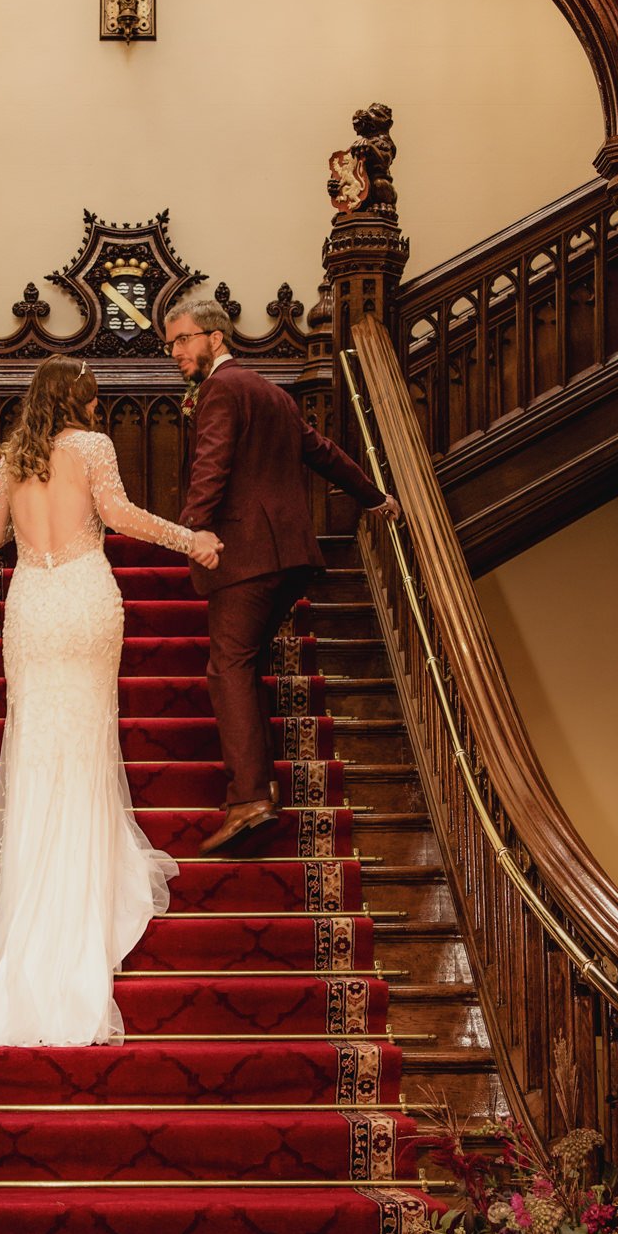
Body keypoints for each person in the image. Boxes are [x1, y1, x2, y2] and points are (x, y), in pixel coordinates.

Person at [0, 360, 223, 1047]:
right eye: (94, 397)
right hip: (82, 598)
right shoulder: (92, 448)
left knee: (35, 749)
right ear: (80, 400)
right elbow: (118, 514)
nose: (98, 406)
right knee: (84, 746)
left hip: (33, 606)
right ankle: (82, 893)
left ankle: (34, 914)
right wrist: (188, 536)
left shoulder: (14, 456)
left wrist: (8, 497)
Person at [168, 298, 400, 854]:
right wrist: (375, 499)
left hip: (246, 555)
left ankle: (250, 796)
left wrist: (191, 530)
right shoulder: (272, 393)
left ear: (216, 338)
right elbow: (322, 451)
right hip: (289, 556)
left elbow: (213, 463)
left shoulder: (222, 390)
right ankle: (259, 784)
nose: (175, 352)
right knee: (243, 664)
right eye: (171, 343)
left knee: (227, 667)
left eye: (182, 340)